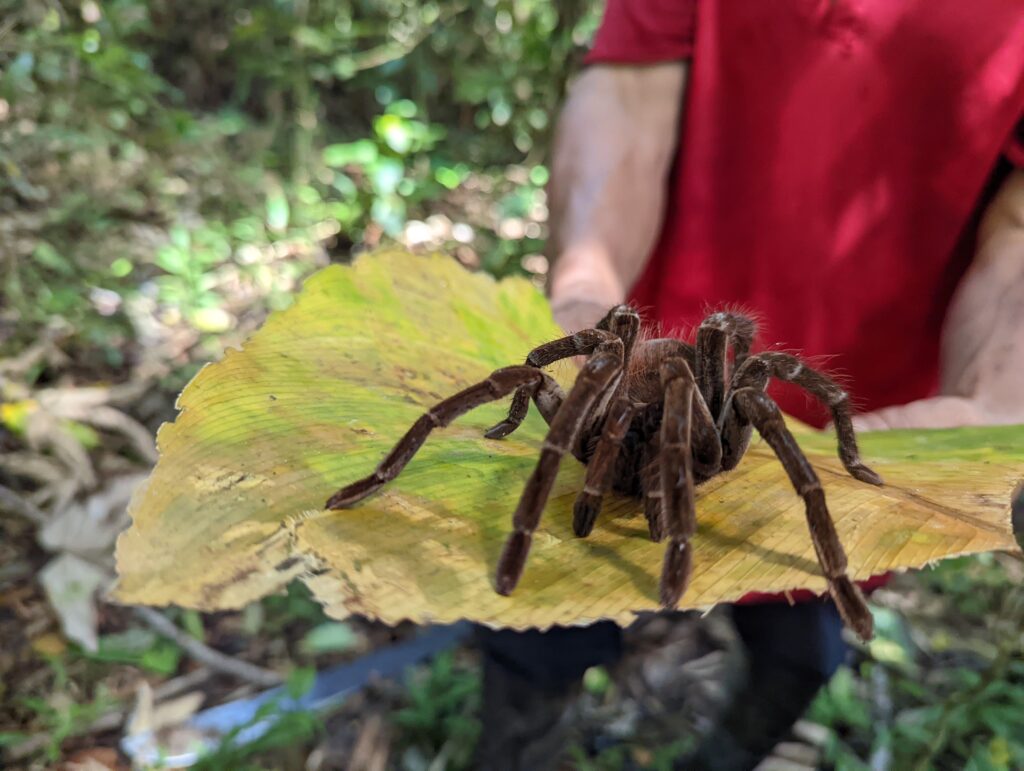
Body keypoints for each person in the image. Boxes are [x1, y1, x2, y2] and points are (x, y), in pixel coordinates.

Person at [474, 1, 1024, 769]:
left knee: (800, 652)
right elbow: (627, 96)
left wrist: (997, 389)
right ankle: (511, 749)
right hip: (640, 327)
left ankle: (724, 757)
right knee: (530, 630)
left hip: (870, 425)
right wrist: (582, 289)